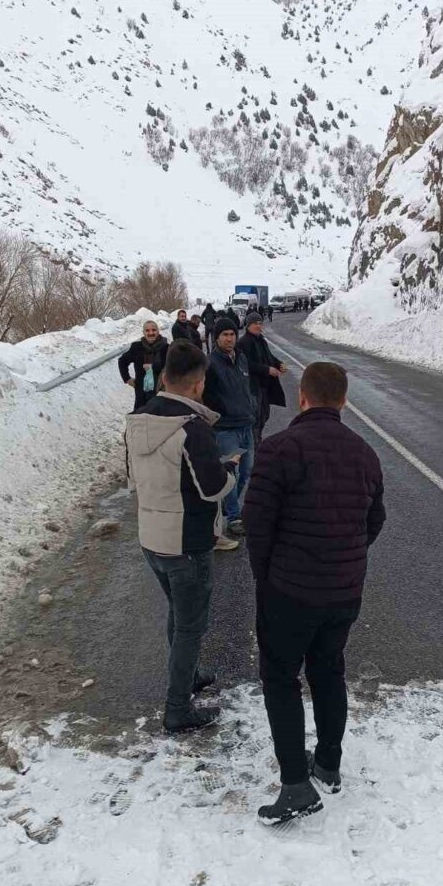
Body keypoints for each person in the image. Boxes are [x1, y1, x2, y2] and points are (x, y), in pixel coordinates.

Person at [243, 362, 386, 825]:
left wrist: (266, 579)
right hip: (344, 593)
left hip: (289, 591)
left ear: (301, 397)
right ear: (343, 400)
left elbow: (257, 527)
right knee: (329, 671)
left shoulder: (278, 449)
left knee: (281, 678)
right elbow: (374, 521)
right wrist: (344, 555)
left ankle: (295, 785)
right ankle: (327, 762)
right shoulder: (365, 453)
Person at [125, 341, 240, 733]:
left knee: (178, 612)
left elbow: (136, 479)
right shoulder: (192, 429)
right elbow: (212, 488)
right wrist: (231, 472)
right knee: (191, 624)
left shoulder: (138, 421)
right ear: (197, 385)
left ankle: (186, 676)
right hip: (187, 542)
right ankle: (178, 709)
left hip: (151, 537)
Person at [202, 318, 256, 539]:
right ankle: (234, 517)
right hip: (226, 429)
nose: (229, 338)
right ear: (216, 337)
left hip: (245, 424)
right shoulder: (210, 363)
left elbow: (246, 387)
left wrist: (250, 405)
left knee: (246, 471)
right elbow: (207, 394)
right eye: (224, 334)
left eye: (232, 334)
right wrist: (222, 410)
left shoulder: (241, 358)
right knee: (230, 474)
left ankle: (228, 504)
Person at [237, 312, 286, 447]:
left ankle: (256, 442)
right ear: (248, 325)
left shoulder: (261, 340)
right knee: (255, 419)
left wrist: (278, 364)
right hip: (252, 387)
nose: (259, 326)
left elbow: (268, 357)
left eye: (260, 323)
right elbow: (246, 365)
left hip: (264, 386)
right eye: (255, 324)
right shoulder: (243, 343)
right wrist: (267, 370)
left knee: (264, 416)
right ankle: (253, 447)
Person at [118, 320, 169, 411]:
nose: (151, 333)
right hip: (142, 395)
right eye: (147, 330)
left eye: (154, 330)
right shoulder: (137, 347)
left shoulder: (166, 348)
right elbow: (122, 361)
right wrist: (127, 379)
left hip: (162, 393)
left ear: (158, 331)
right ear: (143, 332)